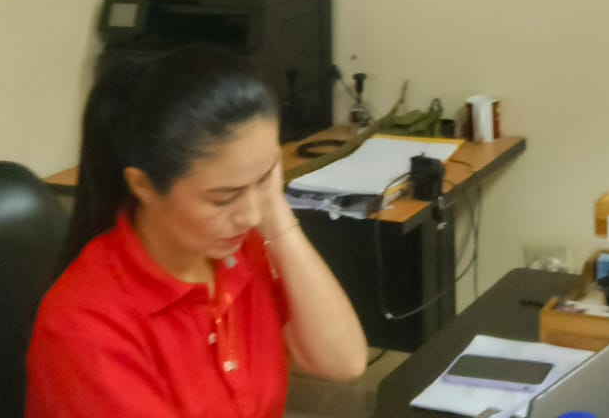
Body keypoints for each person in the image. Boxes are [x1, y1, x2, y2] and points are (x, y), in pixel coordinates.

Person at [27, 47, 368, 418]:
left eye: (264, 178)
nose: (251, 215)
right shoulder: (86, 324)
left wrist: (277, 217)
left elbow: (344, 361)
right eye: (223, 198)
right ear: (143, 186)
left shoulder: (237, 249)